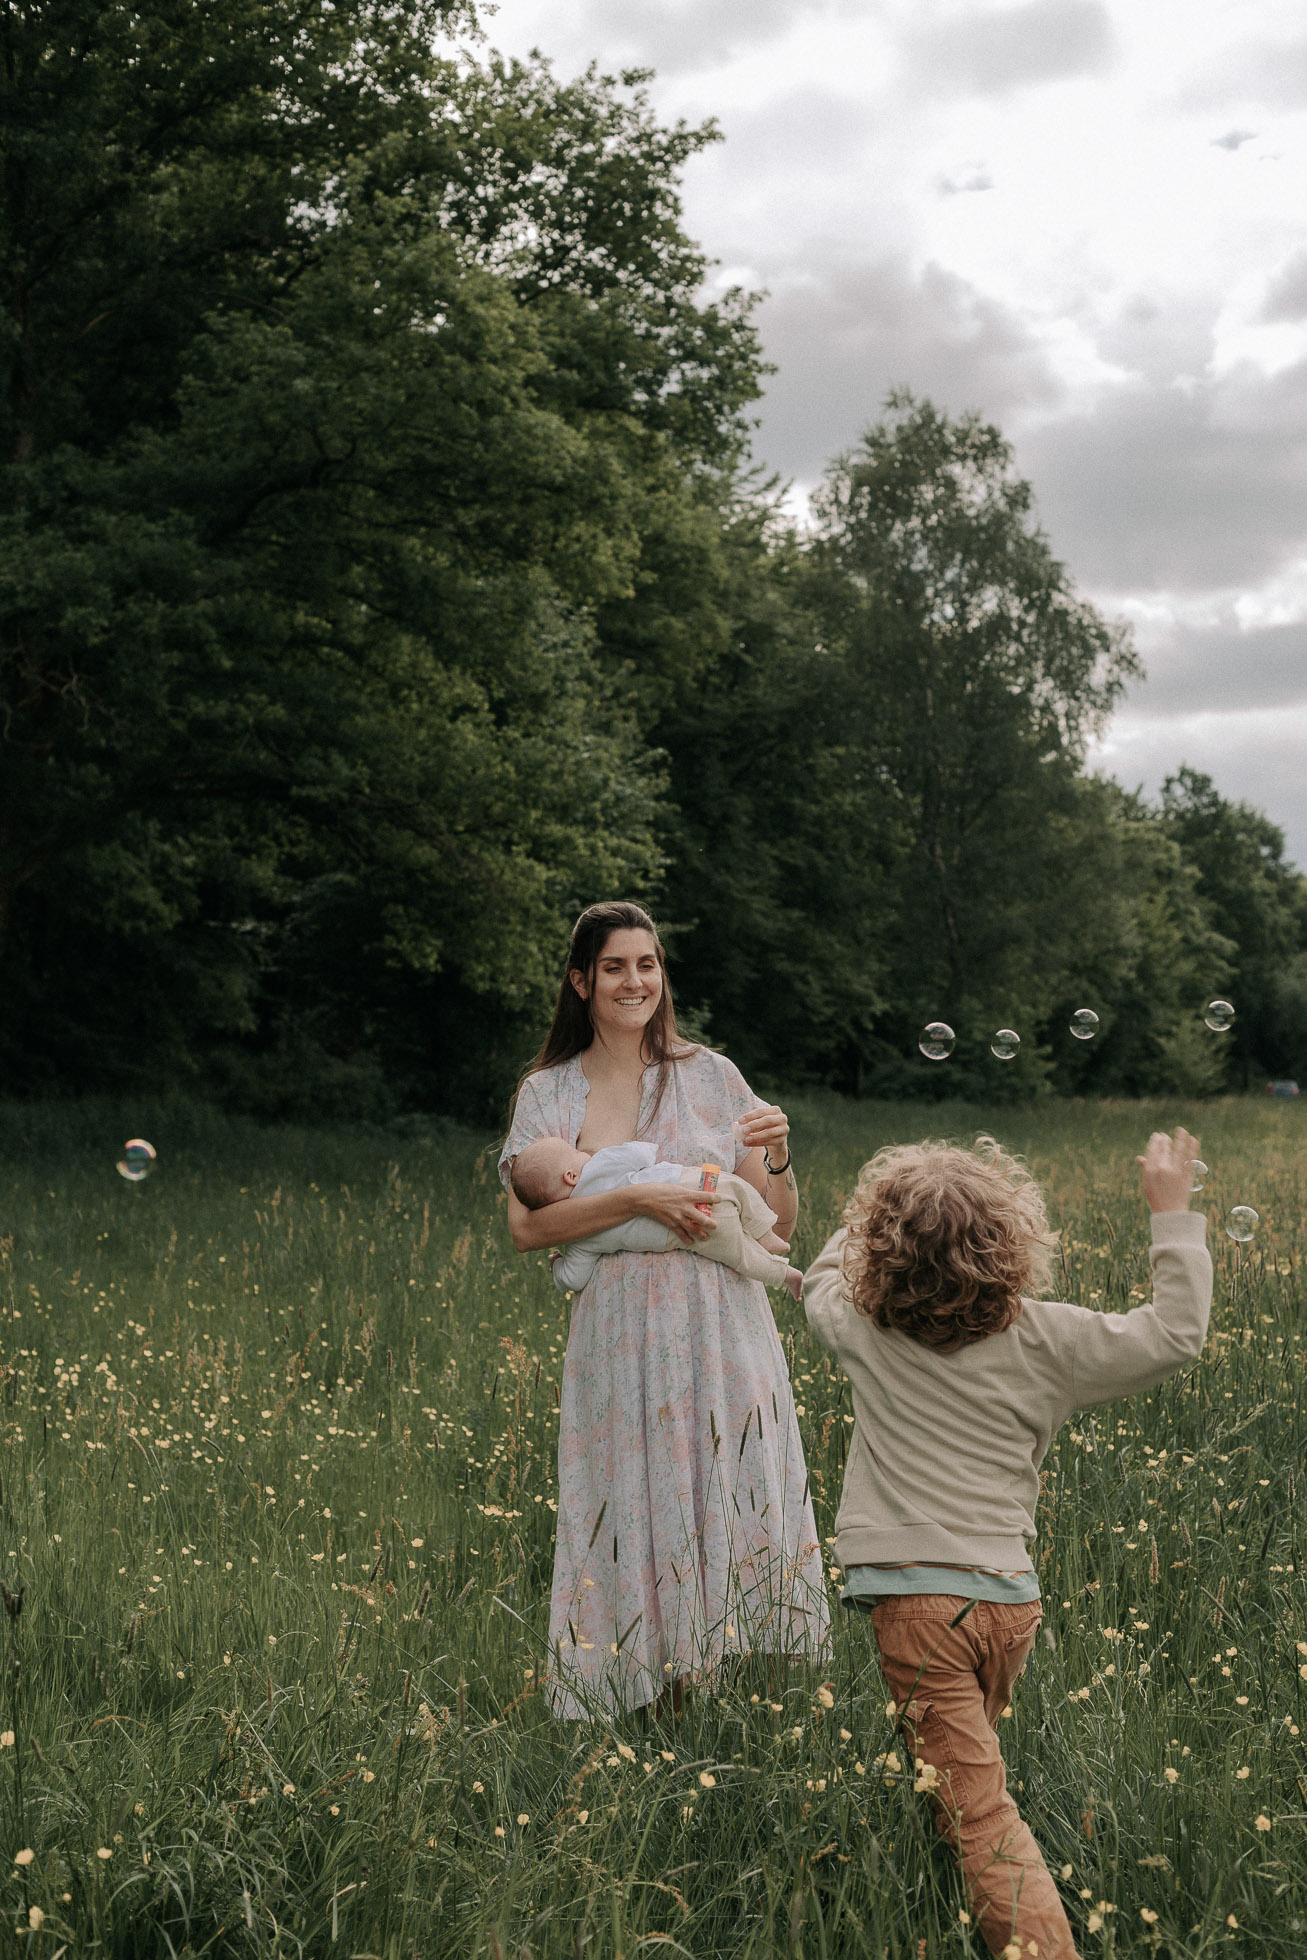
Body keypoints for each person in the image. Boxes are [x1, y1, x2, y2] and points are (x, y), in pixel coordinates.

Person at [803, 1128, 1211, 1960]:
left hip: (918, 1609)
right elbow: (1175, 1335)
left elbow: (818, 1278)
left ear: (881, 1252)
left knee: (981, 1815)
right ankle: (941, 1895)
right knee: (957, 1780)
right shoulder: (1047, 1339)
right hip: (1008, 1604)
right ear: (1012, 1245)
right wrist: (1170, 1214)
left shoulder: (860, 1326)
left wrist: (867, 1215)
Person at [500, 900, 828, 1718]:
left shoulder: (710, 1074)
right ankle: (645, 1695)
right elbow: (527, 1228)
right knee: (631, 1497)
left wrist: (778, 1154)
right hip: (620, 1337)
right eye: (613, 966)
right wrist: (637, 1198)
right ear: (581, 981)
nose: (633, 981)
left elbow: (778, 1222)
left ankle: (727, 1697)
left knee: (723, 1484)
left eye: (646, 964)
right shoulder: (548, 1093)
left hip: (722, 1325)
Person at [510, 1134, 804, 1300]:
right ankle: (764, 1231)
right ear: (571, 1175)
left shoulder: (578, 1236)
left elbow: (573, 1279)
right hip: (688, 1182)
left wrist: (558, 1265)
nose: (582, 1154)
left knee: (739, 1254)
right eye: (575, 1153)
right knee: (737, 1187)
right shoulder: (599, 1164)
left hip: (684, 1231)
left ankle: (785, 1274)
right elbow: (642, 1154)